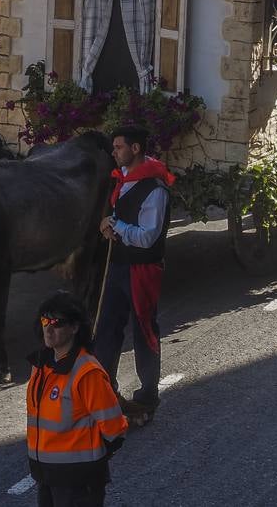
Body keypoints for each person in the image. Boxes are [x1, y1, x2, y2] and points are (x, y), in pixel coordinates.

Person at [95, 126, 173, 423]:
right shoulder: (128, 180)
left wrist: (116, 228)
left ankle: (147, 397)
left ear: (136, 148)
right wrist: (109, 223)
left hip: (142, 268)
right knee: (107, 328)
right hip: (118, 265)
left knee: (143, 331)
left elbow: (147, 237)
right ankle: (105, 392)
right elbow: (123, 217)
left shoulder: (154, 189)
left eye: (118, 147)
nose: (114, 152)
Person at [26, 290, 128, 507]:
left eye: (57, 322)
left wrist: (88, 461)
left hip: (78, 481)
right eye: (45, 320)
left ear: (74, 327)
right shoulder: (41, 366)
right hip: (46, 475)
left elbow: (114, 429)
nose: (49, 327)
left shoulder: (87, 372)